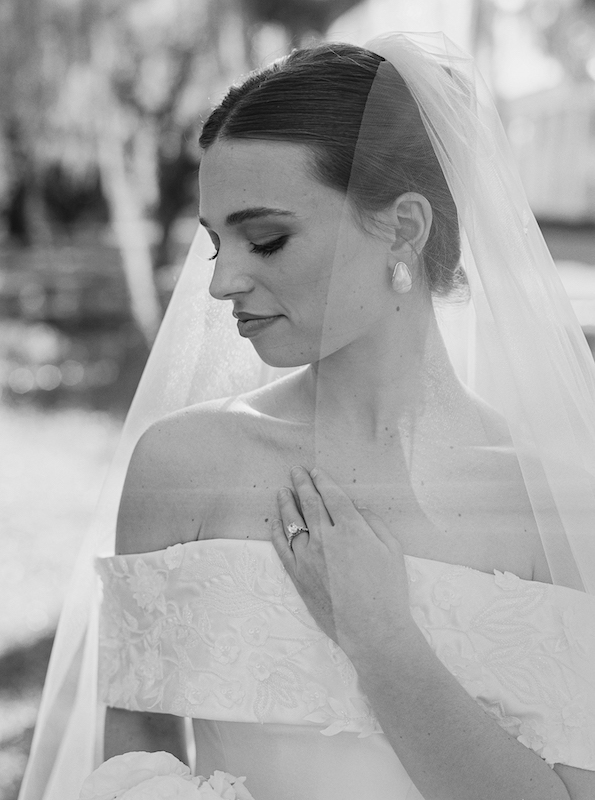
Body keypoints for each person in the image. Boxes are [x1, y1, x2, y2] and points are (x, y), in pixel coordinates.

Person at [20, 33, 595, 800]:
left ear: (405, 227)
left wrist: (380, 639)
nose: (222, 281)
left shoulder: (548, 507)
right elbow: (130, 770)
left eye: (265, 238)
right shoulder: (181, 468)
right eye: (214, 242)